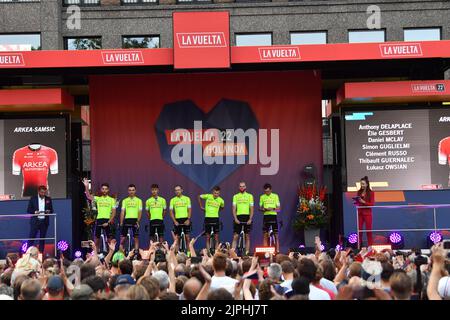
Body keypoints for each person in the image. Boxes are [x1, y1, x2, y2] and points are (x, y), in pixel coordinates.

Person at [83, 178, 117, 252]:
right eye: (103, 189)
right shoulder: (98, 199)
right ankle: (96, 255)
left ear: (108, 190)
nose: (104, 190)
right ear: (101, 190)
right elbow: (88, 196)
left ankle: (109, 256)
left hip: (107, 220)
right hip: (99, 220)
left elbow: (114, 213)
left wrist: (108, 222)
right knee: (97, 240)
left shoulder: (112, 200)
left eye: (106, 189)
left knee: (109, 240)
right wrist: (86, 186)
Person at [26, 185, 53, 254]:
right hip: (35, 221)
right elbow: (28, 210)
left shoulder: (48, 199)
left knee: (42, 239)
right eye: (42, 192)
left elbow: (51, 210)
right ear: (38, 191)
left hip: (44, 222)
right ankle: (28, 253)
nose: (43, 194)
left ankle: (41, 253)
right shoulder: (33, 198)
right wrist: (35, 212)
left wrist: (48, 211)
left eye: (44, 192)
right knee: (32, 237)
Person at [198, 186, 224, 253]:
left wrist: (217, 211)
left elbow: (222, 208)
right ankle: (209, 253)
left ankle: (216, 253)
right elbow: (199, 196)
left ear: (219, 193)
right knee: (207, 237)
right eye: (215, 193)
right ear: (212, 192)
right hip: (207, 218)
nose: (216, 194)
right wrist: (201, 206)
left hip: (215, 218)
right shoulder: (208, 196)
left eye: (217, 193)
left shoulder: (221, 200)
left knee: (216, 237)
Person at [231, 182, 254, 254]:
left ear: (245, 187)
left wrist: (250, 219)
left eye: (243, 186)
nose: (242, 187)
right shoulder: (235, 196)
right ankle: (233, 253)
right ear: (239, 187)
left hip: (247, 216)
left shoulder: (250, 196)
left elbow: (252, 209)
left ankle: (246, 253)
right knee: (235, 236)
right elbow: (234, 208)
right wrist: (235, 218)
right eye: (240, 186)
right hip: (238, 216)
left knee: (247, 236)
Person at [120, 184, 143, 252]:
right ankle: (121, 255)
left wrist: (138, 221)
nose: (131, 192)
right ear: (128, 191)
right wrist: (121, 222)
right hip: (127, 220)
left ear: (135, 191)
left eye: (133, 190)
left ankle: (136, 253)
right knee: (123, 239)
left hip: (135, 220)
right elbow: (122, 212)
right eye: (130, 190)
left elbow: (140, 212)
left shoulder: (139, 200)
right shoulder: (125, 200)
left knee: (136, 238)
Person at [259, 183, 281, 253]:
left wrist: (273, 208)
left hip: (273, 216)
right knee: (265, 234)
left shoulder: (275, 196)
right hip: (266, 217)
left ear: (271, 190)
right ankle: (265, 251)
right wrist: (264, 209)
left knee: (276, 234)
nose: (267, 193)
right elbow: (259, 208)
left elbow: (279, 209)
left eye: (268, 191)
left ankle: (277, 250)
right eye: (265, 191)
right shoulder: (262, 197)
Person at [169, 185, 192, 252]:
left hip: (185, 219)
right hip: (177, 220)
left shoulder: (187, 199)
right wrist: (174, 221)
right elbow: (171, 211)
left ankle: (188, 254)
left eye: (178, 190)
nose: (177, 191)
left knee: (187, 238)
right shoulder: (172, 200)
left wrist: (188, 219)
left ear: (182, 190)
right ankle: (178, 254)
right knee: (177, 238)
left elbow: (189, 210)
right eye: (176, 190)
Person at [355, 176, 375, 247]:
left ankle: (370, 247)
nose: (362, 185)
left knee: (368, 231)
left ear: (367, 184)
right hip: (360, 213)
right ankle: (359, 247)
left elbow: (372, 204)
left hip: (367, 214)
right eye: (361, 184)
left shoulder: (371, 193)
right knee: (359, 231)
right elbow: (358, 202)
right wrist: (356, 202)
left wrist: (363, 202)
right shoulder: (359, 192)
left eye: (363, 184)